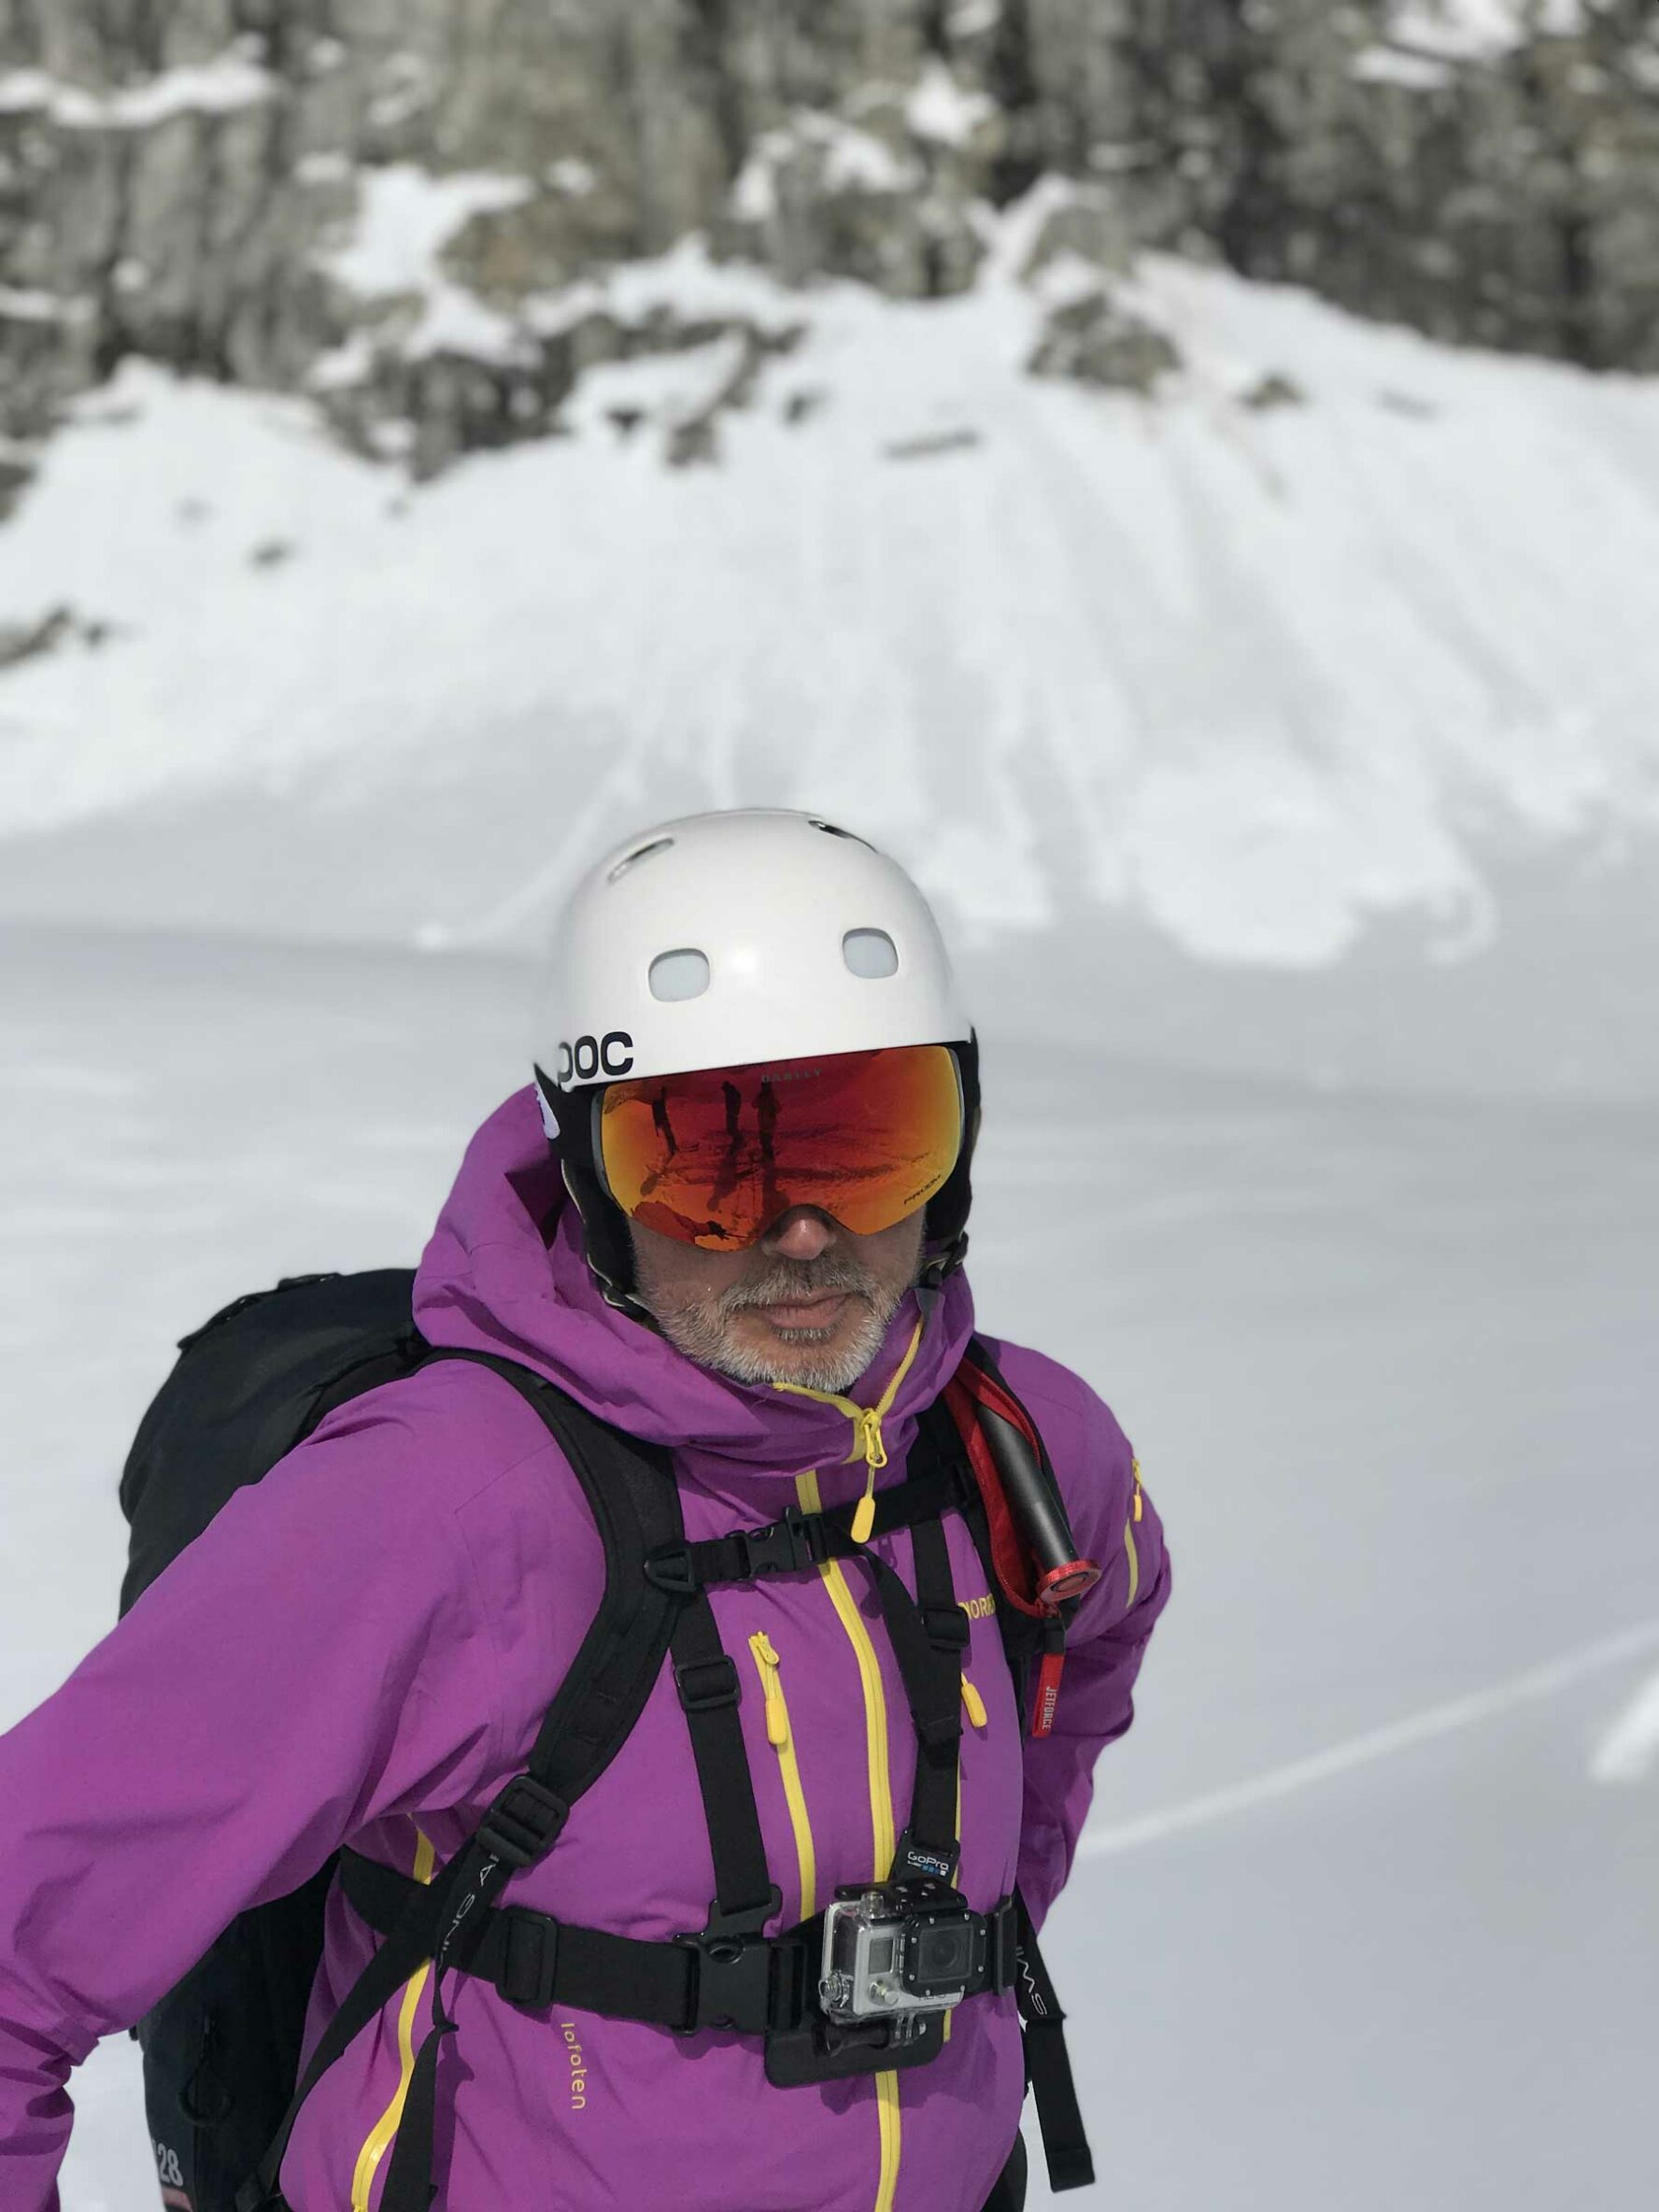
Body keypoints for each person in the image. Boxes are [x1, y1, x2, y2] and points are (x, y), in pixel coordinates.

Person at [0, 808, 1170, 2212]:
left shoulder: (1024, 1449)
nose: (803, 1231)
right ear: (586, 1172)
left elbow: (1084, 1661)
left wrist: (969, 1933)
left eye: (866, 1136)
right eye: (707, 1162)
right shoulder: (444, 1501)